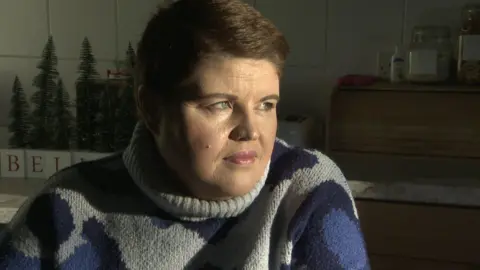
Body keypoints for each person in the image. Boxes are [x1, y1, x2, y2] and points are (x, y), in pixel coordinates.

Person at [0, 0, 370, 269]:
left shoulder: (307, 193)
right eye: (220, 105)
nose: (251, 131)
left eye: (266, 105)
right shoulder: (63, 210)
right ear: (152, 110)